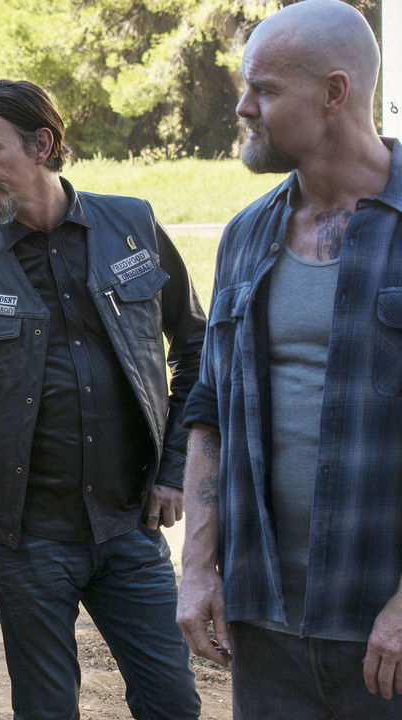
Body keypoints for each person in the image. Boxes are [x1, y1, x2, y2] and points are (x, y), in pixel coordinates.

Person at [0, 79, 204, 720]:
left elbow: (197, 347)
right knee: (46, 711)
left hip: (130, 527)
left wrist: (175, 470)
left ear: (42, 144)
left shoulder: (131, 226)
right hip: (27, 544)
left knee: (173, 702)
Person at [176, 2, 402, 717]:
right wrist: (197, 570)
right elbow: (210, 409)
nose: (243, 106)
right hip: (265, 620)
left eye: (265, 89)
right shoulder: (246, 234)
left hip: (385, 627)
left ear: (335, 93)